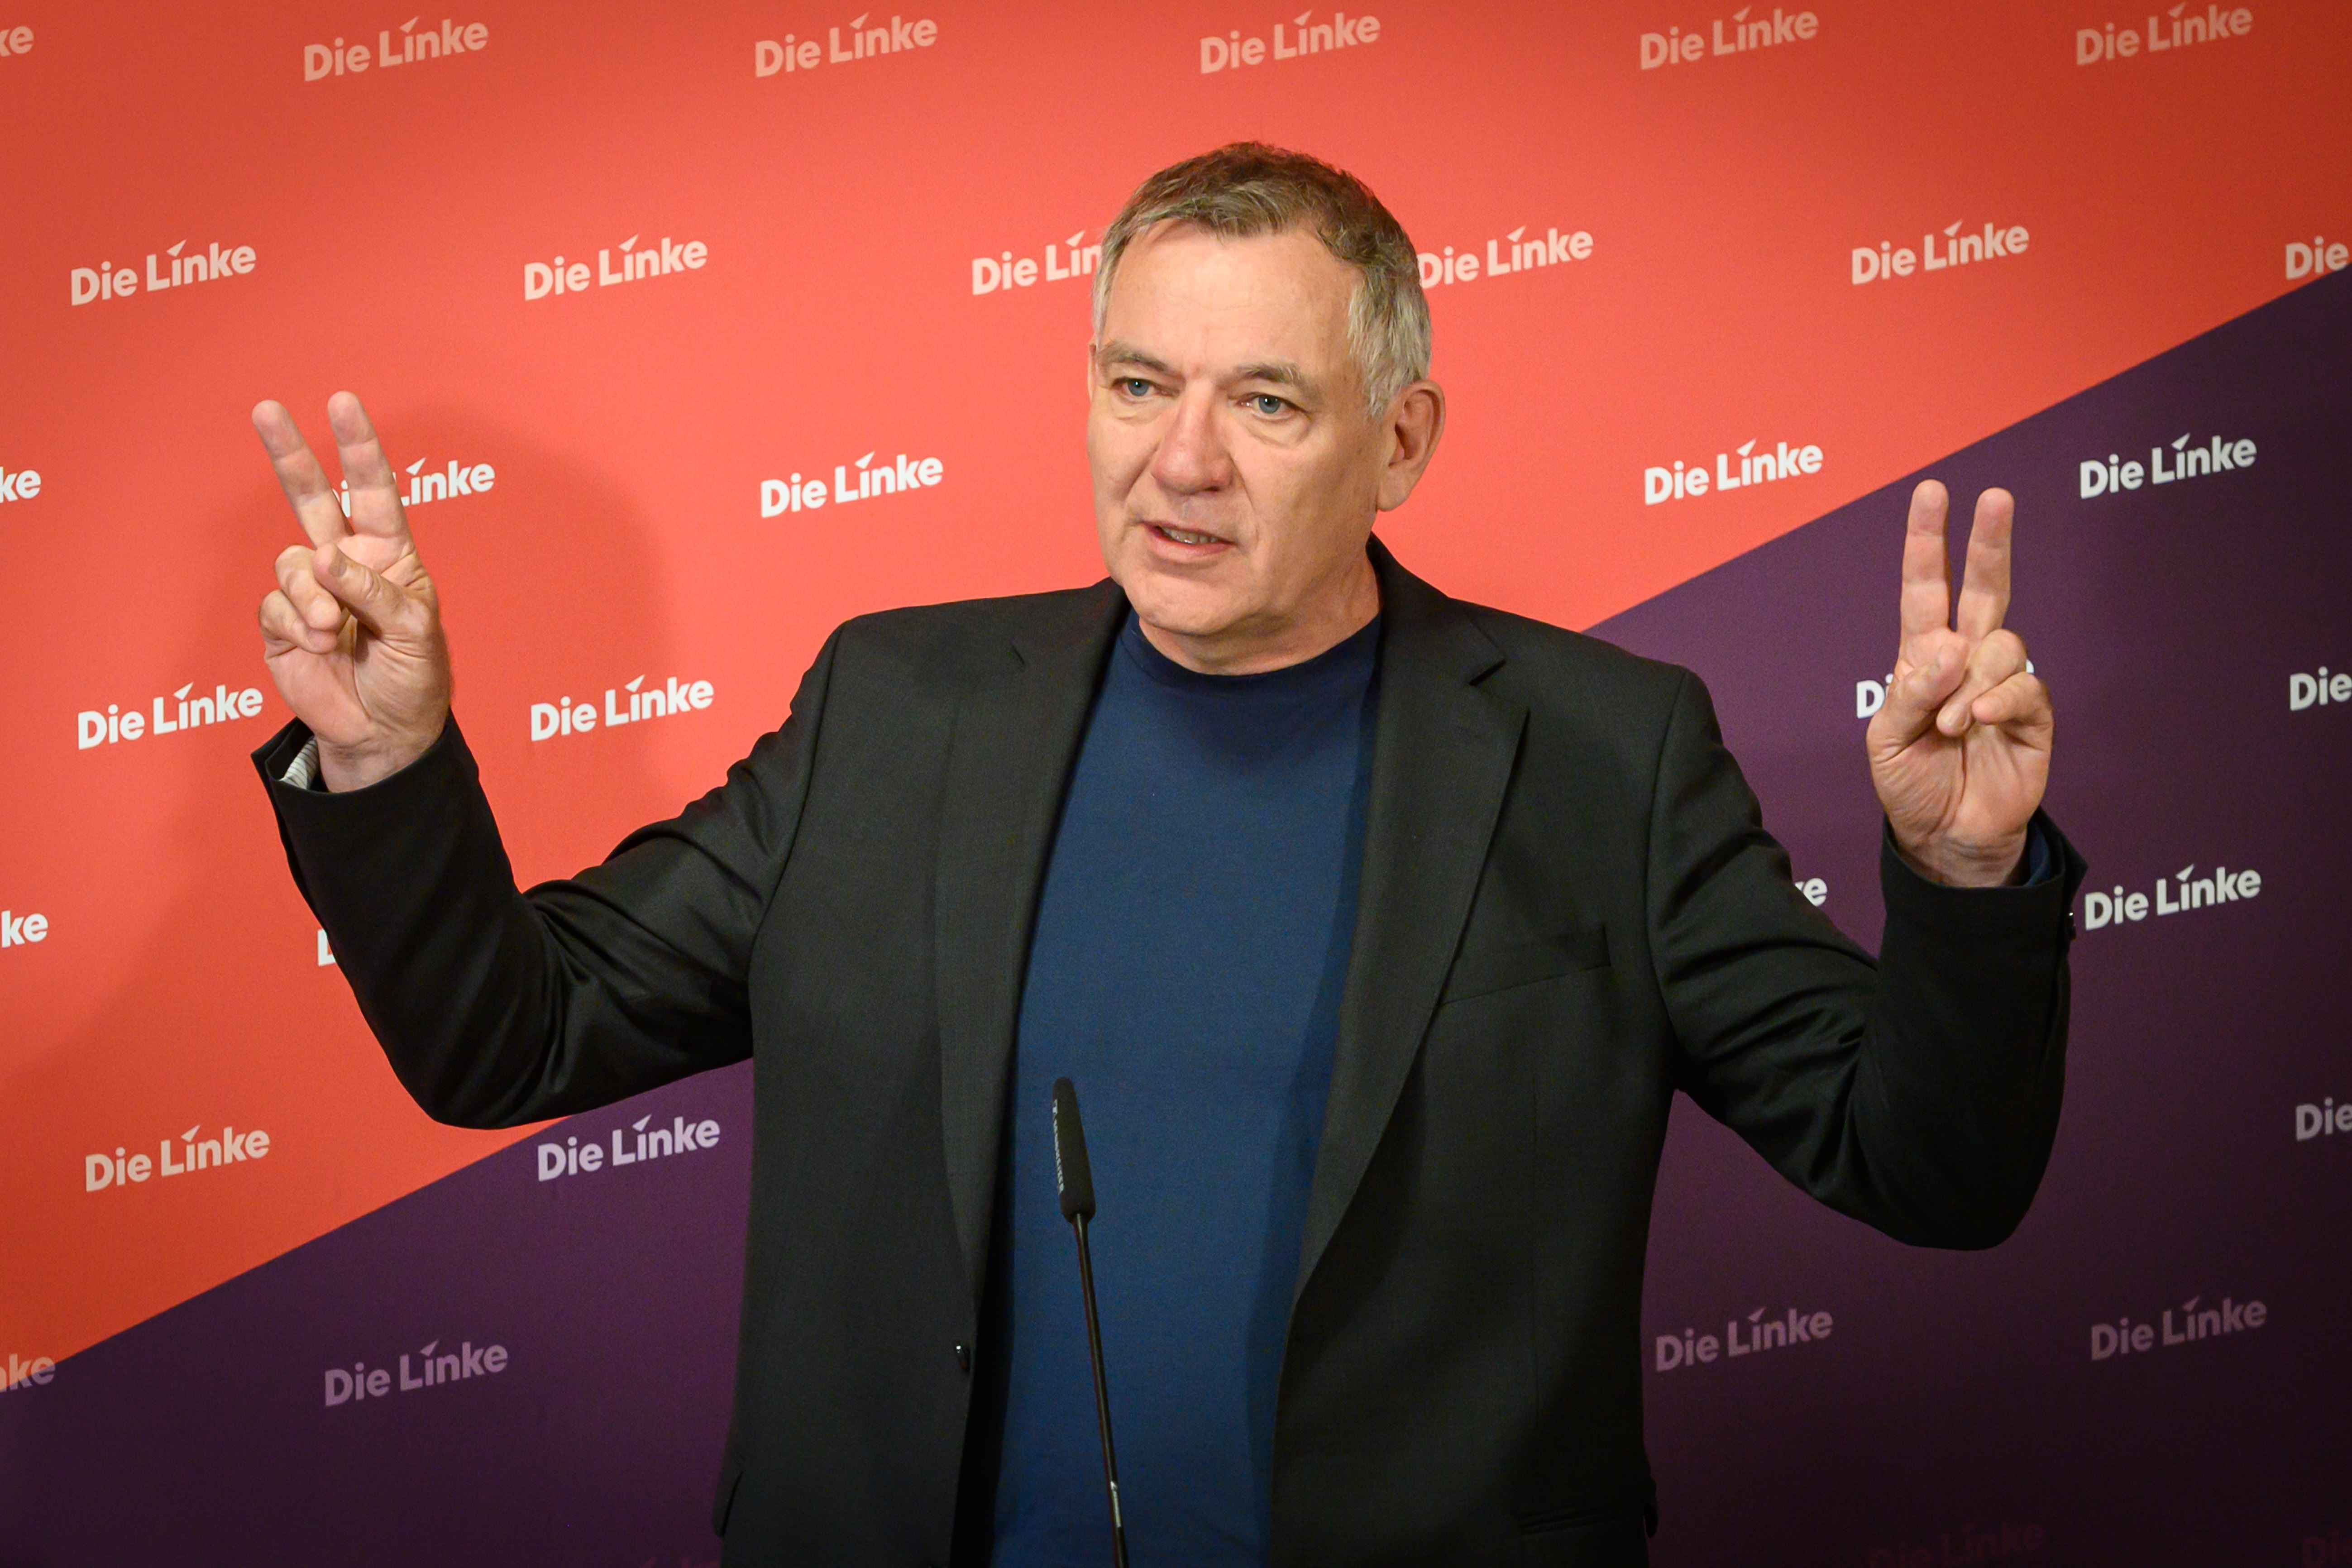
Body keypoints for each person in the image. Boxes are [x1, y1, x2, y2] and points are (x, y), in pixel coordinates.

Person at [249, 144, 2078, 1567]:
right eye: (1139, 384)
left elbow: (1928, 1163)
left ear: (1402, 440)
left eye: (1266, 403)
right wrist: (384, 755)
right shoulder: (894, 707)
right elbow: (514, 1035)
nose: (1180, 462)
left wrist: (1966, 880)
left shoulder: (1609, 750)